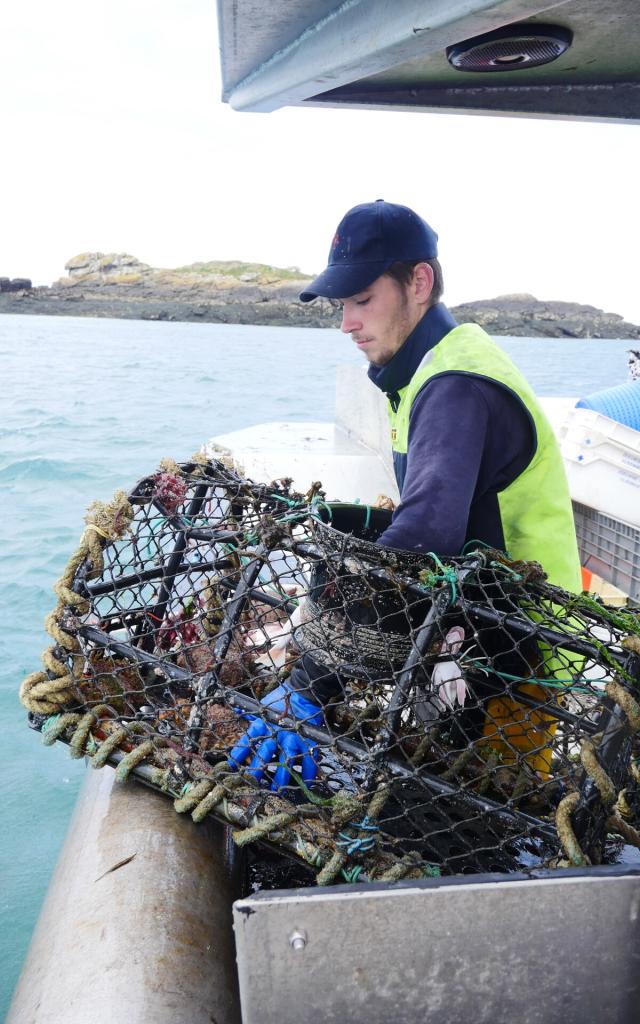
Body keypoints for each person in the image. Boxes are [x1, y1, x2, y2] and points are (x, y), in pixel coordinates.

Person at [230, 200, 582, 785]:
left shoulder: (454, 385)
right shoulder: (431, 367)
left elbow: (422, 539)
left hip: (521, 660)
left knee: (485, 819)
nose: (347, 324)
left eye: (363, 300)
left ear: (419, 281)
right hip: (474, 627)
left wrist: (312, 683)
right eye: (342, 305)